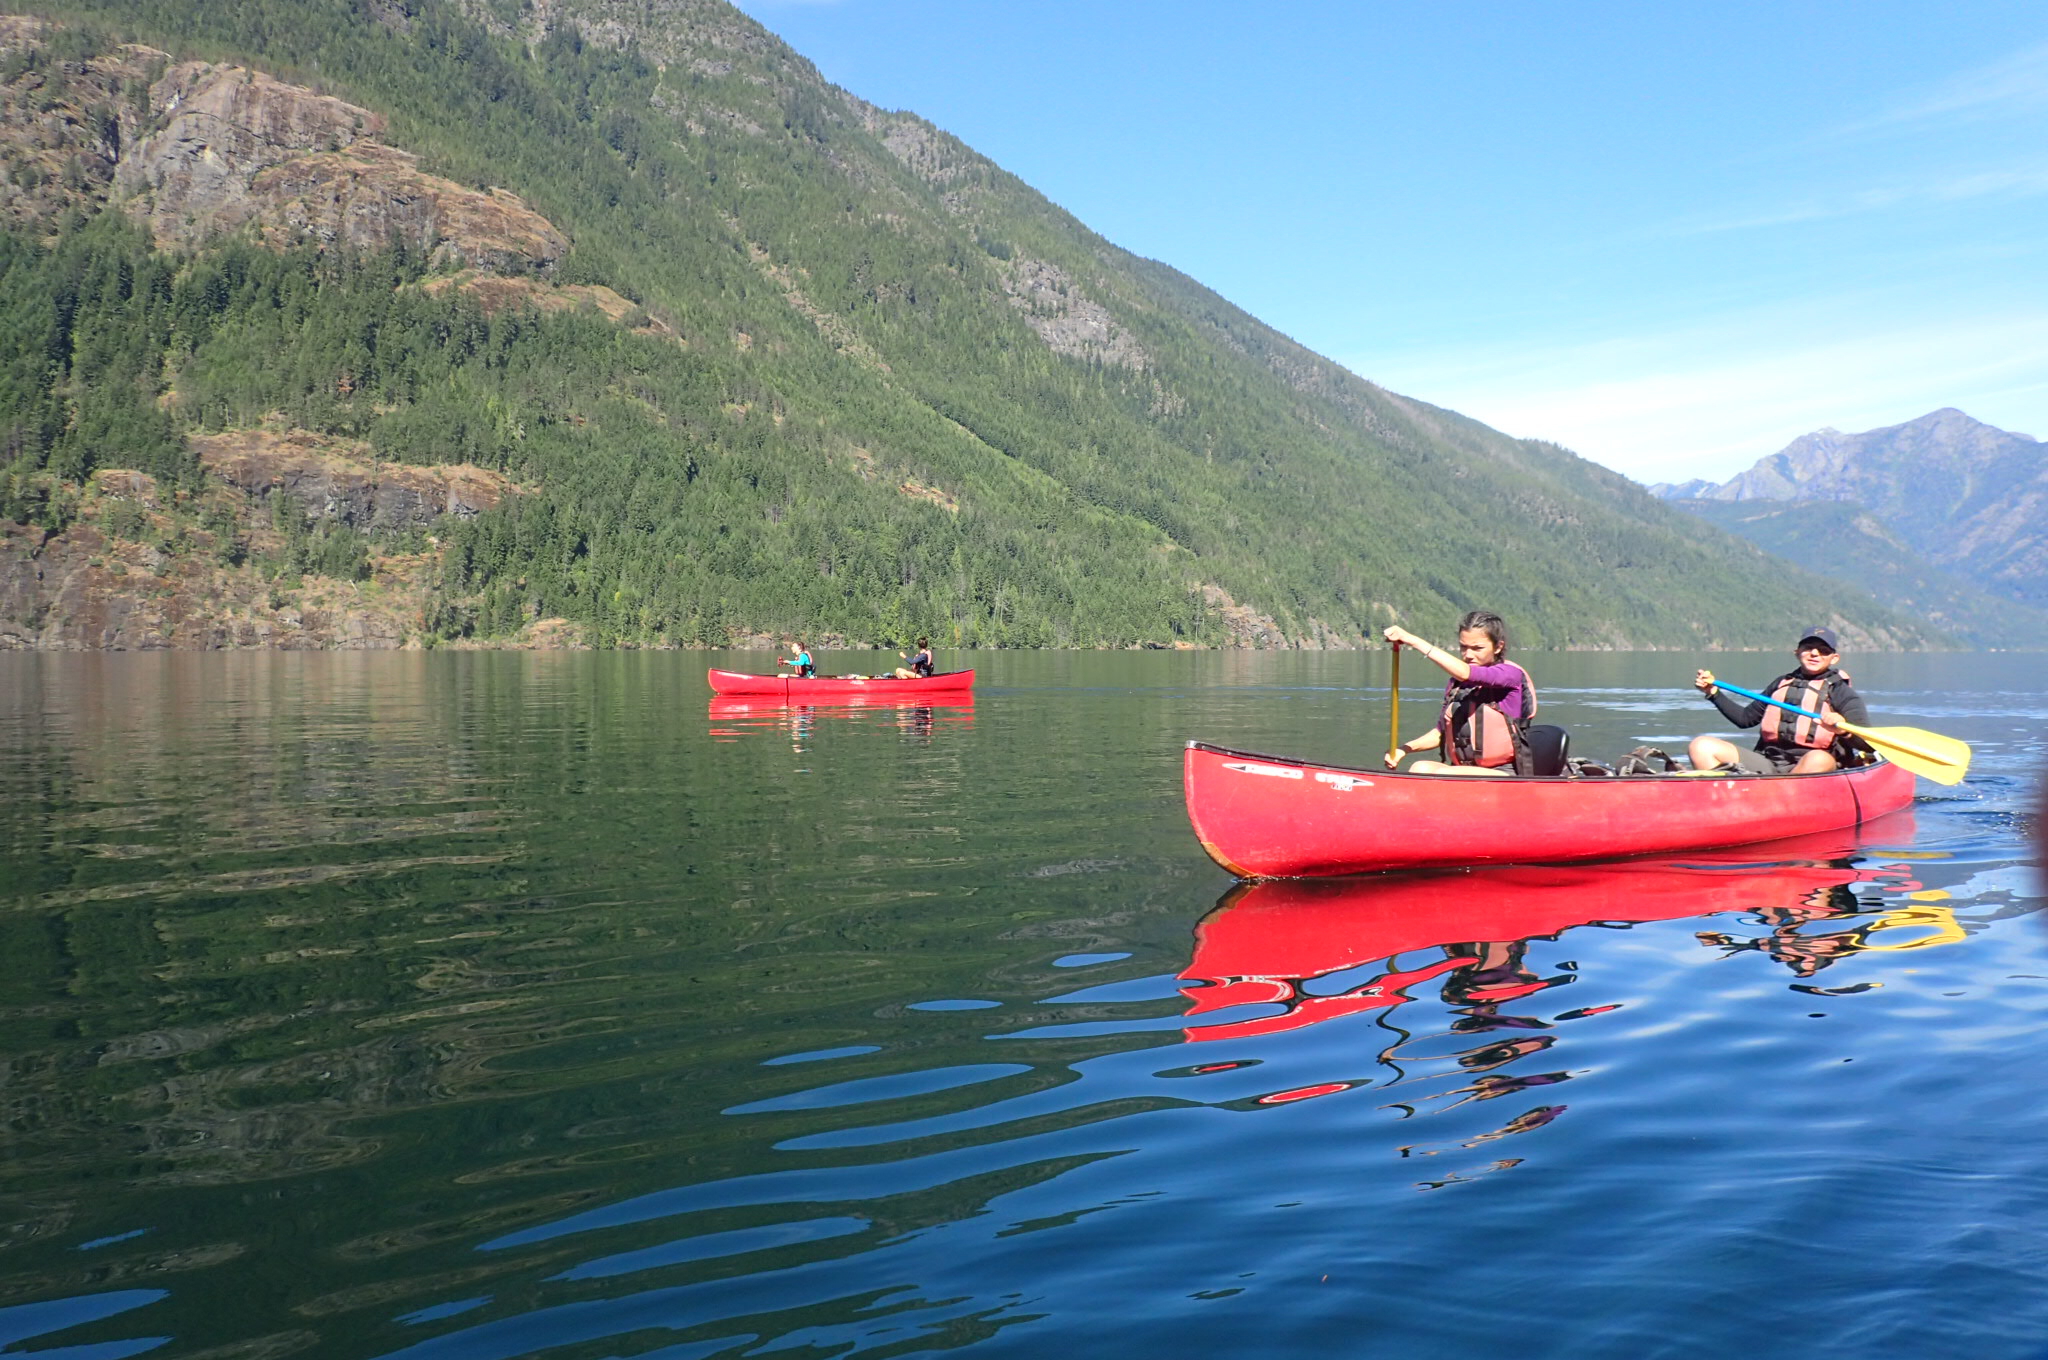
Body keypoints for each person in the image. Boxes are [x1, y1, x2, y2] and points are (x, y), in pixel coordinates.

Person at [1688, 626, 1869, 775]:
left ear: (1834, 658)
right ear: (1797, 652)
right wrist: (1713, 693)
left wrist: (1843, 729)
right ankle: (1725, 800)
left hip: (1817, 767)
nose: (1814, 653)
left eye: (1823, 650)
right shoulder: (1781, 683)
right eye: (1808, 648)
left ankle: (1779, 799)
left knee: (1818, 759)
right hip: (1770, 763)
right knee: (1701, 746)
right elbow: (1744, 719)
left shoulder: (1842, 692)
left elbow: (1867, 745)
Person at [1382, 611, 1537, 776]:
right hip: (1462, 771)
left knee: (1442, 774)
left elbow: (1465, 672)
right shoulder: (1457, 684)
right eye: (1463, 647)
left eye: (1477, 648)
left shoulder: (1509, 675)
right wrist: (1403, 749)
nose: (1468, 655)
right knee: (1420, 767)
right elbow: (1439, 734)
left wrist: (1412, 640)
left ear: (1498, 647)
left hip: (1504, 773)